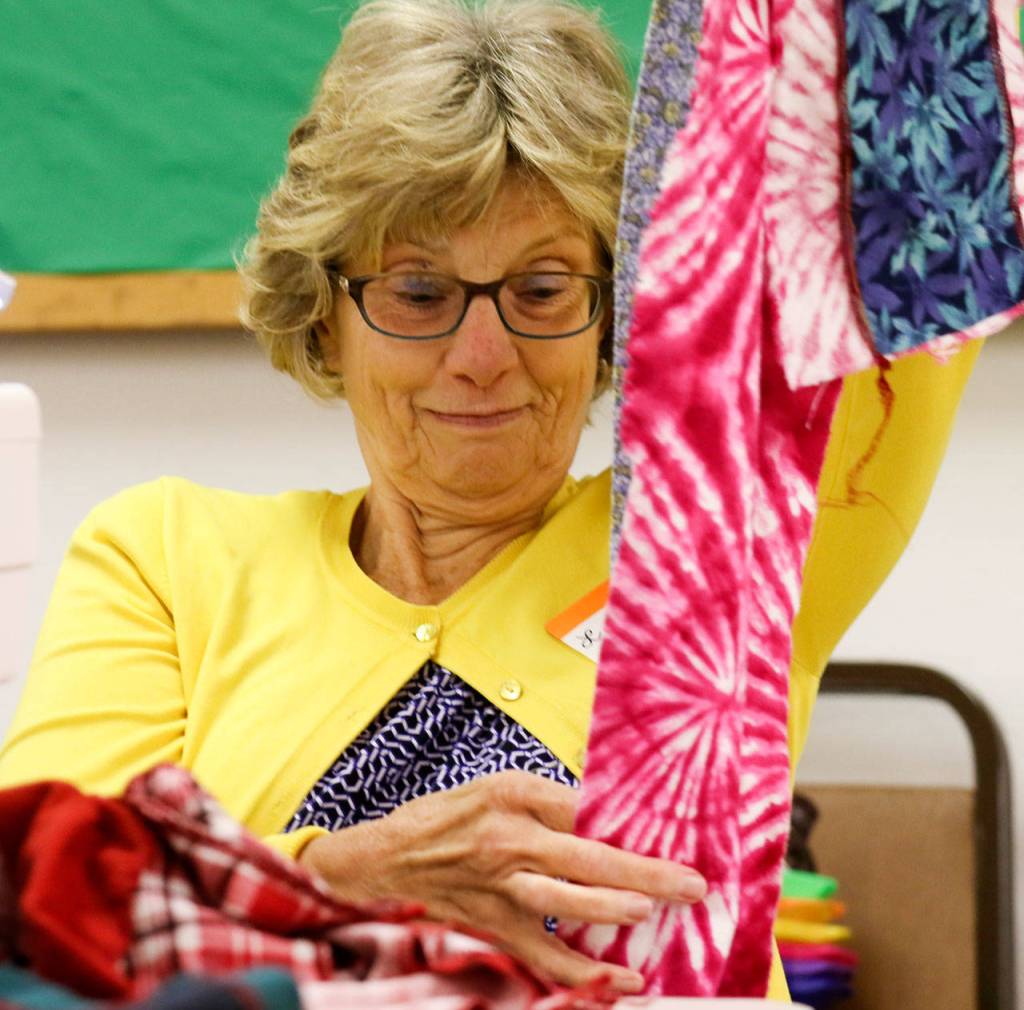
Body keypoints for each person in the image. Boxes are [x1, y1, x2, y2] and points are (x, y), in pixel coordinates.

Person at [0, 0, 982, 1001]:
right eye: (419, 293)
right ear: (327, 315)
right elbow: (39, 934)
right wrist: (343, 879)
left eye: (543, 288)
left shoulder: (708, 548)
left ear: (615, 313)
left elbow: (931, 182)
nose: (483, 356)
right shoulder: (167, 559)